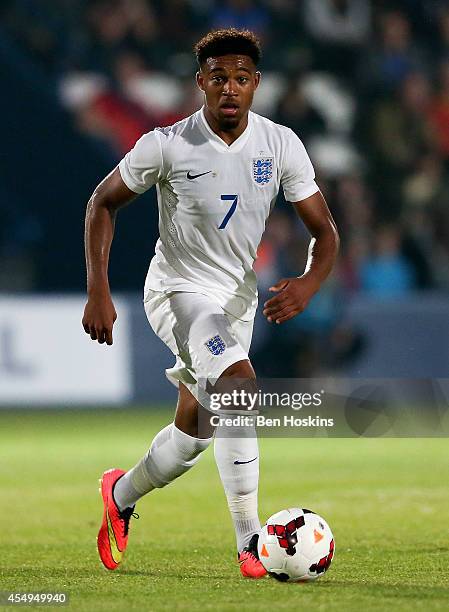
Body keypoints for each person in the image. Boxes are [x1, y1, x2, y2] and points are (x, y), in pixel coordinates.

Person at [82, 28, 339, 579]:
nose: (230, 88)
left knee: (195, 434)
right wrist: (98, 289)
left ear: (256, 85)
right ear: (200, 81)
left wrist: (310, 282)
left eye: (241, 79)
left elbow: (326, 231)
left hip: (235, 302)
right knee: (239, 385)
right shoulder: (167, 144)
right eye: (218, 77)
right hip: (176, 291)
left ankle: (120, 494)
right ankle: (251, 542)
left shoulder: (280, 145)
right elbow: (102, 203)